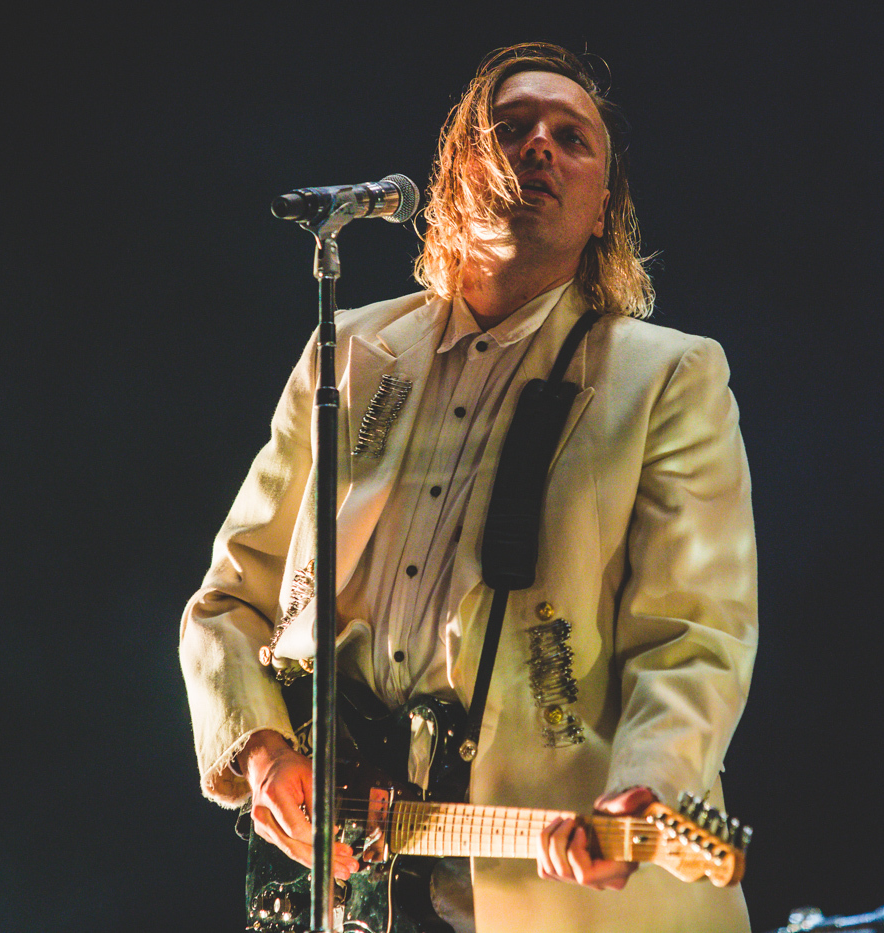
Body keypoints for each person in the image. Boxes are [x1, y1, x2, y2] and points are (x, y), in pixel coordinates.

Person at [180, 42, 757, 933]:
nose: (540, 146)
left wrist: (646, 791)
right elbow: (228, 600)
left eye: (574, 138)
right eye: (512, 126)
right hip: (353, 884)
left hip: (548, 886)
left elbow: (695, 636)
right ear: (454, 172)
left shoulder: (666, 377)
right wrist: (260, 750)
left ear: (603, 204)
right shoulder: (350, 356)